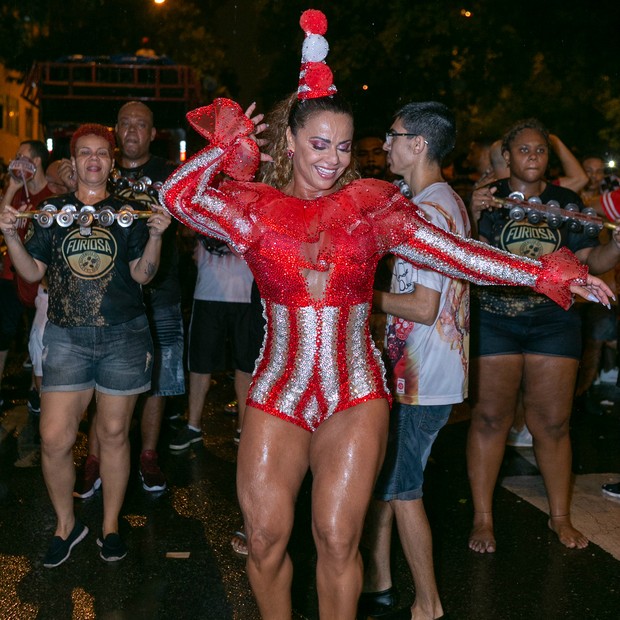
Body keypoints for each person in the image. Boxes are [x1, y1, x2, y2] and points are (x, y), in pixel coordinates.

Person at [159, 10, 611, 617]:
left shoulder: (370, 208)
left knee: (339, 539)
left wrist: (545, 273)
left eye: (344, 146)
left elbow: (459, 254)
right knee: (264, 542)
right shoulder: (256, 212)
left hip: (356, 393)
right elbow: (177, 198)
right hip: (277, 391)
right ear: (288, 143)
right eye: (318, 143)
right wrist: (221, 150)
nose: (332, 158)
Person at [0, 123, 171, 567]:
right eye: (84, 153)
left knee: (114, 434)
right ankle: (67, 524)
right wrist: (10, 235)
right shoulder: (52, 211)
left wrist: (155, 236)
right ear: (73, 164)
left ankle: (110, 526)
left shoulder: (130, 213)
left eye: (102, 153)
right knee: (54, 438)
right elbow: (33, 273)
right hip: (67, 336)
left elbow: (142, 275)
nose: (93, 159)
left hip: (124, 336)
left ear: (111, 164)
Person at [467, 118, 620, 555]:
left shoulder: (566, 202)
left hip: (554, 321)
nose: (532, 157)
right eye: (523, 150)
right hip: (495, 316)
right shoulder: (486, 200)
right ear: (508, 157)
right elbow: (467, 253)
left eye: (539, 150)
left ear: (547, 158)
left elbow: (592, 260)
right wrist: (473, 213)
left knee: (552, 423)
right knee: (490, 418)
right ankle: (482, 517)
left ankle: (560, 517)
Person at [360, 101, 469, 620]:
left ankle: (428, 605)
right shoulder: (436, 200)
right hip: (417, 372)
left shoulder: (429, 213)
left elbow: (423, 308)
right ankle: (378, 582)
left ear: (419, 144)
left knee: (404, 490)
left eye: (393, 134)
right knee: (387, 482)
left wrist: (360, 295)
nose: (385, 143)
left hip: (422, 379)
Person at [74, 101, 184, 495]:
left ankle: (148, 456)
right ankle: (95, 459)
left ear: (153, 134)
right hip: (110, 295)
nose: (133, 131)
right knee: (101, 380)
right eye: (126, 124)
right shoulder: (100, 169)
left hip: (162, 291)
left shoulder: (172, 176)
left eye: (142, 125)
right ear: (115, 131)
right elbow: (59, 181)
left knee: (161, 380)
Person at [168, 234, 256, 451]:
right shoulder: (207, 202)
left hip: (246, 294)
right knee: (199, 363)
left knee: (245, 365)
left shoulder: (253, 201)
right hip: (208, 292)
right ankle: (193, 426)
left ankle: (245, 430)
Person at [0, 141, 53, 410]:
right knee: (2, 333)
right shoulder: (17, 192)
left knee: (39, 340)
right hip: (11, 276)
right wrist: (10, 187)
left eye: (21, 157)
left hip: (39, 278)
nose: (15, 160)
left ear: (37, 161)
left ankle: (37, 391)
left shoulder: (51, 194)